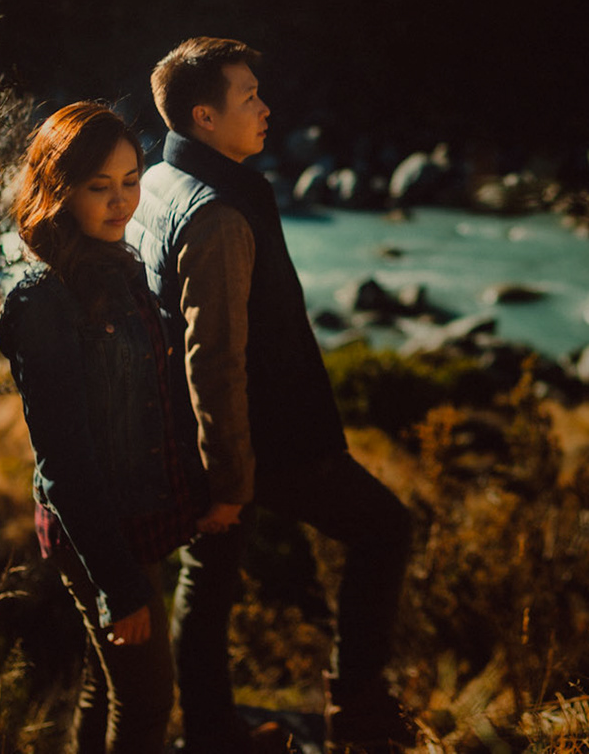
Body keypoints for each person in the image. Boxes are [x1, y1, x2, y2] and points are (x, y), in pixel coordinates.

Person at [132, 38, 414, 753]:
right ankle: (358, 708)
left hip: (206, 432)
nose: (267, 108)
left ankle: (209, 733)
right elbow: (215, 356)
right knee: (384, 528)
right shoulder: (218, 212)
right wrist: (230, 478)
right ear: (204, 116)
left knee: (208, 580)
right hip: (265, 439)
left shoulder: (160, 178)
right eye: (249, 97)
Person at [0, 102, 236, 754]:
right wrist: (118, 583)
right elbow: (65, 463)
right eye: (99, 186)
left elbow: (150, 399)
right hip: (99, 533)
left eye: (131, 180)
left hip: (141, 518)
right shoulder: (42, 297)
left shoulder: (117, 261)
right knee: (147, 697)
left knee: (109, 686)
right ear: (57, 188)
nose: (121, 201)